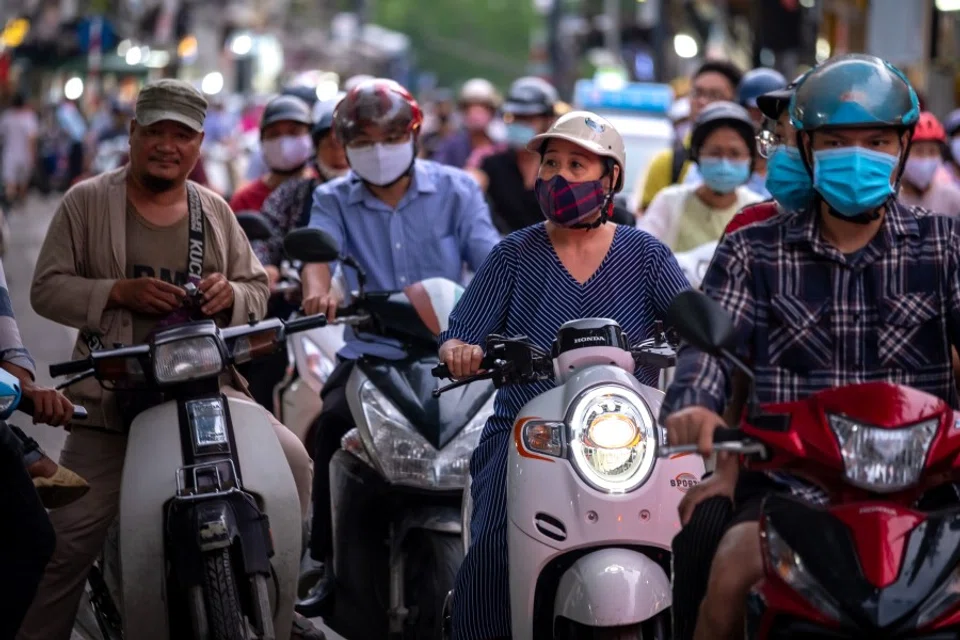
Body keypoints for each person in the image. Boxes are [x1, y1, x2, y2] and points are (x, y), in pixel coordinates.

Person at [660, 54, 960, 640]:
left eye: (876, 139)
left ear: (902, 148)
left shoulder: (943, 247)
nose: (857, 154)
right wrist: (695, 404)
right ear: (805, 148)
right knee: (721, 567)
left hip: (928, 496)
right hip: (793, 493)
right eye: (836, 140)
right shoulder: (756, 249)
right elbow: (713, 353)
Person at [21, 78, 322, 640]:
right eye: (154, 131)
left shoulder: (215, 211)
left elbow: (256, 288)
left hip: (210, 397)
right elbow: (46, 289)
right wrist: (116, 292)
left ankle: (280, 594)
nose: (167, 145)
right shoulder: (85, 202)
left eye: (180, 135)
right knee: (62, 548)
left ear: (199, 144)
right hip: (111, 408)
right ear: (132, 135)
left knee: (295, 463)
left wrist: (231, 296)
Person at [438, 110, 689, 640]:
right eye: (550, 163)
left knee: (696, 537)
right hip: (530, 438)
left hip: (630, 438)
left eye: (578, 164)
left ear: (611, 179)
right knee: (493, 549)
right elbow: (461, 333)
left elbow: (695, 319)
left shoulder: (646, 254)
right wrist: (461, 350)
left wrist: (702, 343)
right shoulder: (512, 255)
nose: (559, 176)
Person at [295, 78, 501, 614]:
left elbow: (490, 258)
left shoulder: (458, 189)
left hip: (457, 356)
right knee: (331, 424)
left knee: (508, 435)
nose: (378, 149)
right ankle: (322, 559)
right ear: (344, 145)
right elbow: (318, 262)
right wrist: (318, 292)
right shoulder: (331, 198)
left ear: (413, 135)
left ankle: (507, 554)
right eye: (362, 139)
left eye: (390, 136)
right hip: (373, 356)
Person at [668, 72, 814, 640]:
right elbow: (716, 354)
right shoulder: (752, 234)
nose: (777, 154)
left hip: (906, 479)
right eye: (775, 140)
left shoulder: (928, 241)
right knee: (704, 535)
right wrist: (723, 461)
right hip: (775, 471)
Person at [241, 97, 349, 411]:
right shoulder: (294, 193)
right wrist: (266, 268)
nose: (338, 152)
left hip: (363, 319)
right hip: (296, 315)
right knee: (262, 375)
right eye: (329, 144)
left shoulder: (374, 196)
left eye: (346, 143)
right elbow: (266, 238)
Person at [638, 101, 764, 252]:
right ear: (696, 155)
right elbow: (640, 258)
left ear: (750, 159)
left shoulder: (758, 211)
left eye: (734, 154)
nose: (724, 163)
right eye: (715, 153)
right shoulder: (669, 202)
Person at [634, 60, 743, 213]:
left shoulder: (753, 165)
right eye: (697, 93)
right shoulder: (666, 164)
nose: (702, 101)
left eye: (714, 95)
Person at [468, 76, 559, 233]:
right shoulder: (492, 164)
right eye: (514, 117)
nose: (519, 124)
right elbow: (469, 185)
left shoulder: (562, 169)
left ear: (548, 120)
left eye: (527, 118)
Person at [230, 94, 315, 213]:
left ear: (310, 136)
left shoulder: (325, 193)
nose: (283, 142)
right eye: (274, 134)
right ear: (262, 141)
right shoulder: (244, 201)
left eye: (294, 132)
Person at [735, 67, 788, 198]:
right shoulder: (729, 155)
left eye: (769, 111)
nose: (762, 118)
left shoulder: (792, 156)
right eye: (755, 109)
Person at [431, 78, 502, 169]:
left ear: (492, 111)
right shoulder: (451, 146)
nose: (476, 113)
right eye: (471, 107)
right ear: (463, 110)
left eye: (483, 106)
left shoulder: (501, 148)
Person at [899, 111, 960, 215]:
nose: (926, 158)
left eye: (932, 151)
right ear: (902, 154)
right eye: (918, 151)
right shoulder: (891, 201)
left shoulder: (953, 197)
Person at [0, 94, 40, 205]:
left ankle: (10, 203)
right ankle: (21, 201)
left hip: (9, 154)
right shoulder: (29, 117)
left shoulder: (7, 117)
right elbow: (32, 139)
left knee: (10, 182)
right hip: (25, 155)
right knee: (23, 181)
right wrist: (33, 156)